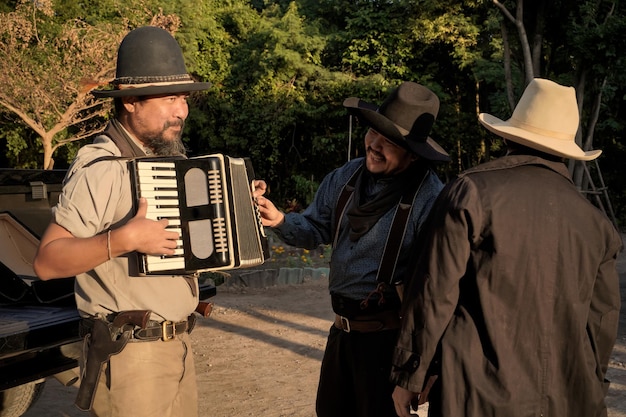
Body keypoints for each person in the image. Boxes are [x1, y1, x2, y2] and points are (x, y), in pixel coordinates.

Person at [390, 78, 623, 417]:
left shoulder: (471, 193)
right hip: (570, 401)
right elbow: (601, 323)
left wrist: (410, 374)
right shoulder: (598, 224)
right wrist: (591, 384)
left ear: (508, 137)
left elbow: (434, 291)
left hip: (477, 396)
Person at [33, 26, 211, 417]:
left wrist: (241, 210)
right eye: (169, 99)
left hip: (176, 348)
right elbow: (47, 262)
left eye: (183, 98)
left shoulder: (160, 160)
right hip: (131, 358)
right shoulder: (100, 168)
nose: (181, 110)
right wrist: (124, 239)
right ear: (130, 102)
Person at [254, 81, 450, 417]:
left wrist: (422, 365)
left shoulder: (431, 199)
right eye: (373, 133)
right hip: (341, 336)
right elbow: (315, 229)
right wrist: (280, 220)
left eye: (389, 142)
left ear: (413, 153)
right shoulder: (345, 177)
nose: (374, 145)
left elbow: (436, 290)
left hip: (389, 344)